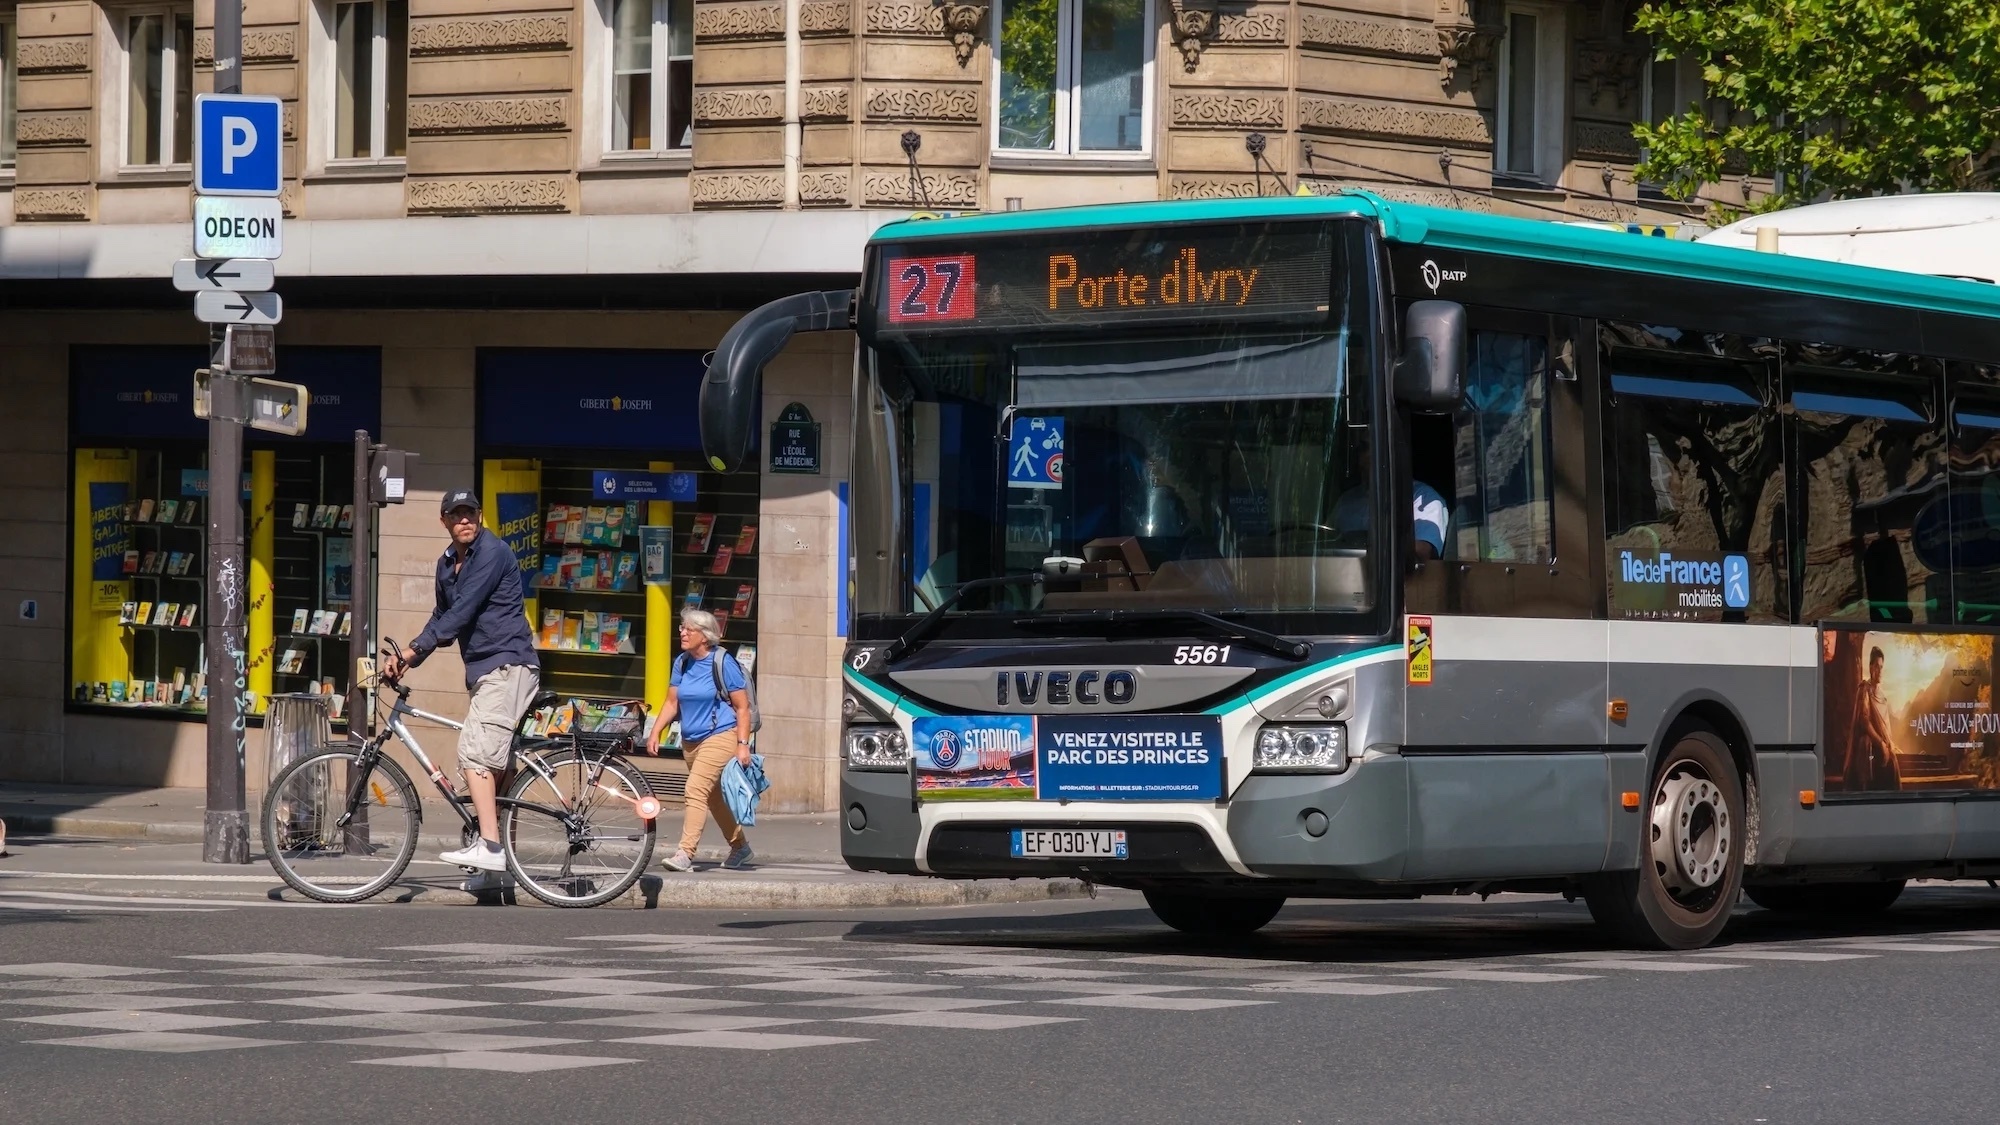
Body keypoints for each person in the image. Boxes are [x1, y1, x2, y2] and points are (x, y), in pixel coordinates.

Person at [381, 489, 541, 889]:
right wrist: (408, 655)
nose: (464, 520)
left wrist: (414, 651)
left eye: (470, 513)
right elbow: (443, 616)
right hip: (486, 671)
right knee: (498, 770)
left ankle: (489, 846)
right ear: (444, 522)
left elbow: (463, 611)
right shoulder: (447, 563)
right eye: (456, 515)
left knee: (475, 756)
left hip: (506, 664)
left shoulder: (494, 552)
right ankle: (497, 873)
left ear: (481, 517)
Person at [643, 608, 755, 872]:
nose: (682, 632)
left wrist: (742, 745)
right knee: (713, 797)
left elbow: (742, 707)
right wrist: (655, 730)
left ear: (705, 636)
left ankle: (685, 853)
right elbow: (672, 702)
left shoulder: (722, 661)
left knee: (695, 790)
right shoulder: (682, 662)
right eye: (682, 627)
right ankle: (741, 847)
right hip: (690, 741)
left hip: (721, 735)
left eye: (688, 629)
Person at [1332, 480, 1451, 560]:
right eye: (1360, 449)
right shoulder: (1346, 501)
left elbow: (1422, 552)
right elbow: (1325, 540)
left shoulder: (1423, 497)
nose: (1362, 455)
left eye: (1366, 447)